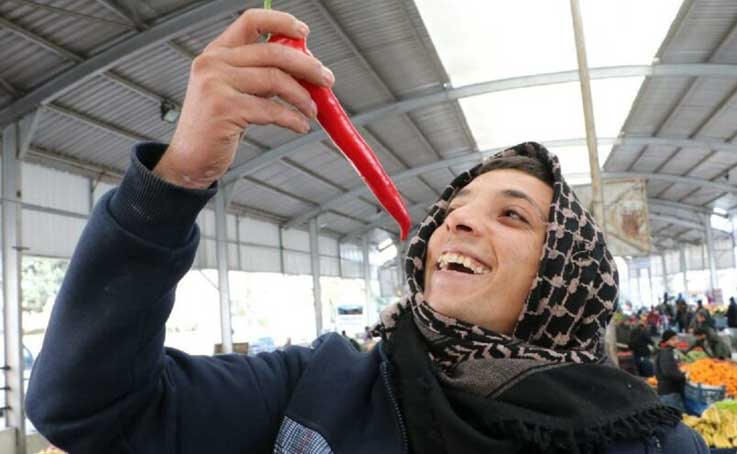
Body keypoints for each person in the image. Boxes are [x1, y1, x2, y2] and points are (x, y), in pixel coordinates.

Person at [25, 9, 706, 454]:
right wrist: (177, 180)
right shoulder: (319, 387)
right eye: (457, 205)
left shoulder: (648, 442)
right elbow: (88, 408)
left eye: (513, 215)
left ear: (567, 280)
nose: (457, 218)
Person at [654, 330, 686, 413]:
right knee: (676, 417)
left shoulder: (666, 351)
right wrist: (684, 376)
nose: (676, 341)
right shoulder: (665, 352)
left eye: (676, 339)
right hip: (670, 392)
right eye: (673, 339)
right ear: (666, 341)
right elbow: (668, 372)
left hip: (667, 391)